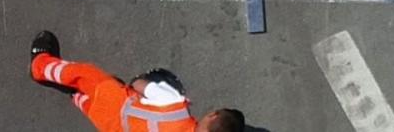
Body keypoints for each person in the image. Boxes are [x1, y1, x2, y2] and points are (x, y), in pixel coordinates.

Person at [29, 31, 244, 132]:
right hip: (112, 127)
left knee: (84, 74)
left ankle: (40, 66)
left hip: (113, 102)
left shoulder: (175, 103)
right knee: (89, 105)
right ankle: (75, 96)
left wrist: (137, 84)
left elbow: (139, 85)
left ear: (212, 115)